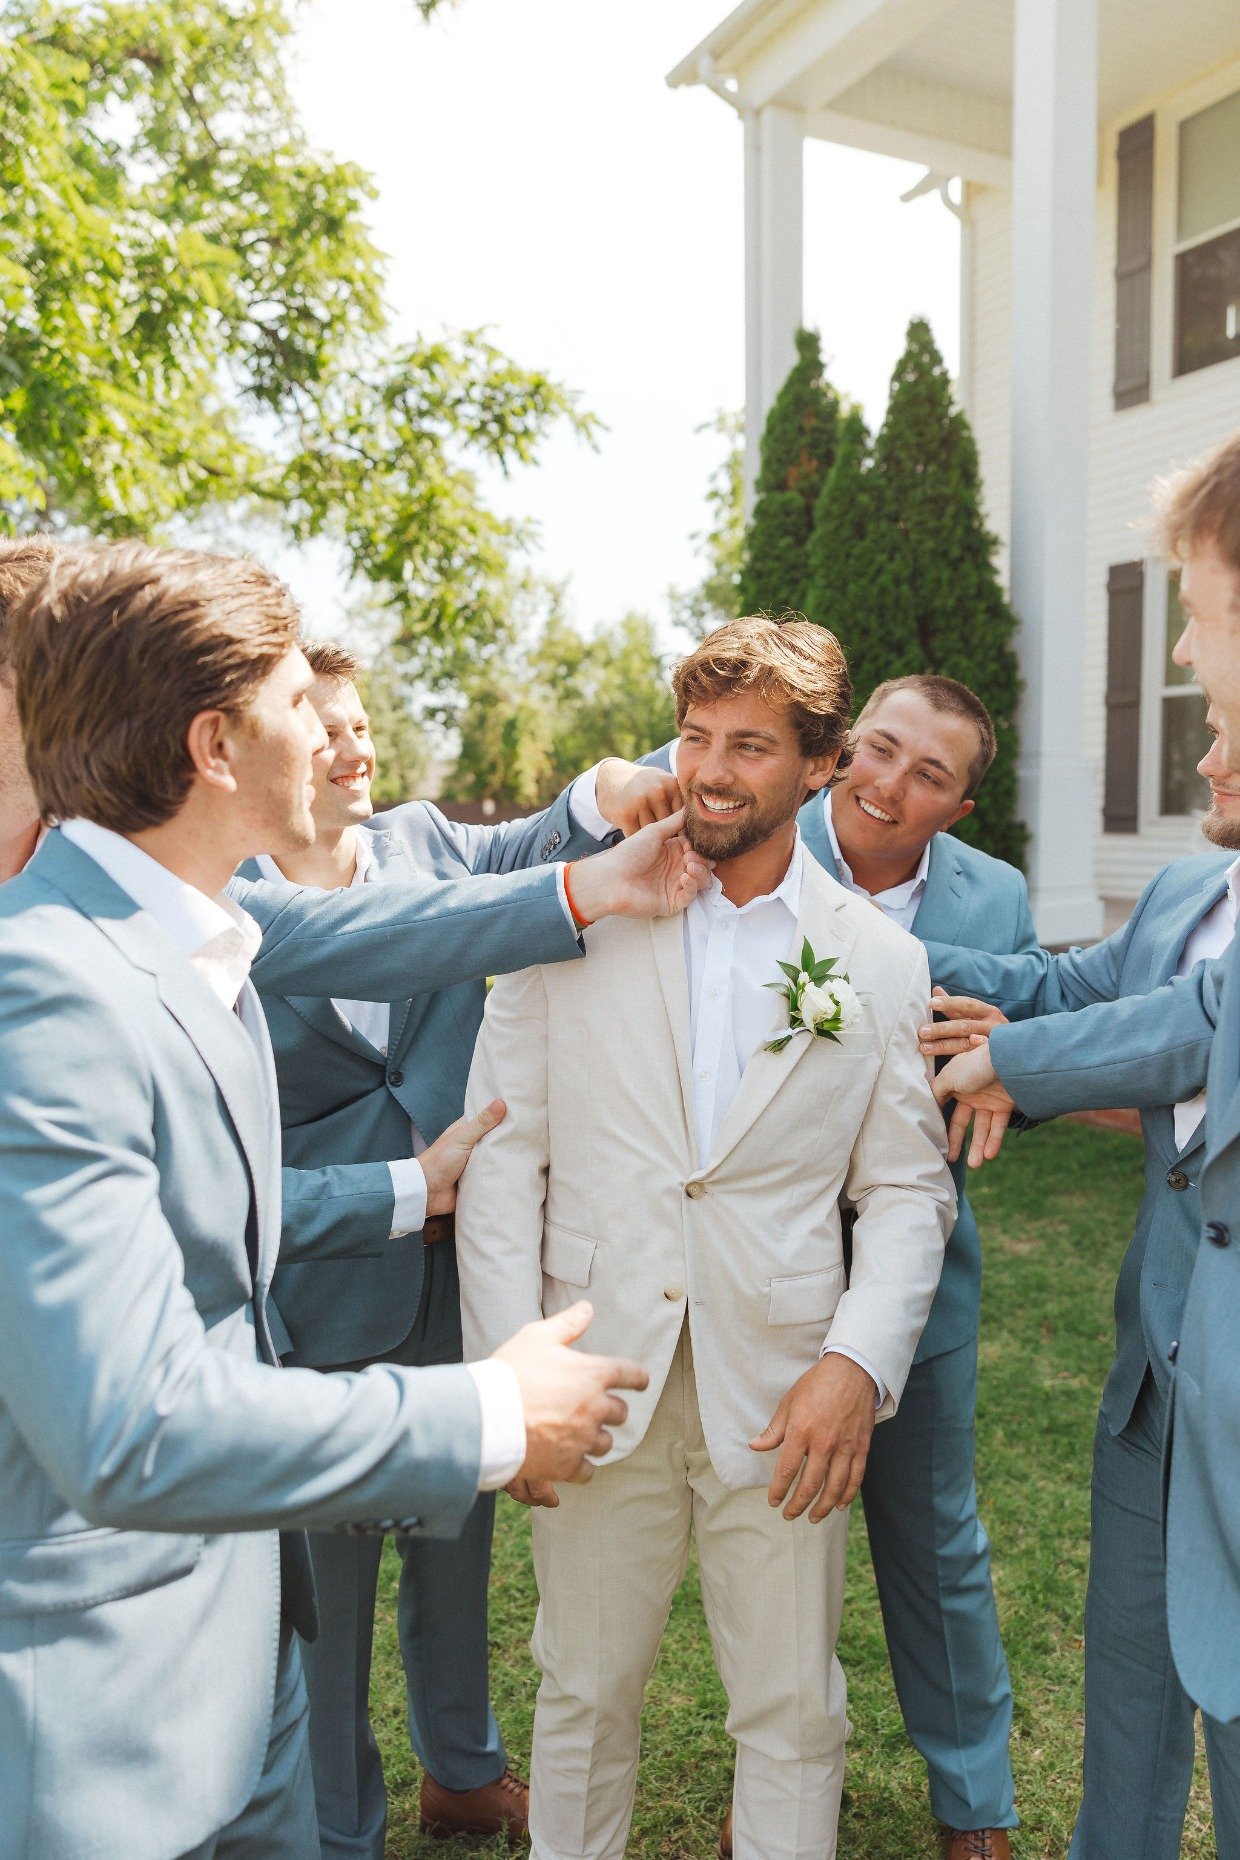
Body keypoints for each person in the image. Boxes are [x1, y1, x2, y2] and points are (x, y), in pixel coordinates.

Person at [0, 539, 711, 1860]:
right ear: (217, 747)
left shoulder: (200, 945)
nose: (335, 739)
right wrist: (489, 1407)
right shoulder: (46, 988)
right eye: (297, 709)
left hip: (237, 1669)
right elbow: (130, 1426)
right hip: (111, 1727)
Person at [457, 614, 956, 1860]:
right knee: (579, 1690)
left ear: (821, 765)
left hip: (785, 1393)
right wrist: (511, 1376)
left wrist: (856, 1365)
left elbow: (904, 1190)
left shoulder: (880, 965)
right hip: (592, 1368)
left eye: (749, 744)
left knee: (793, 1710)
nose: (712, 770)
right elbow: (503, 1154)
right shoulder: (571, 914)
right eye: (694, 736)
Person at [242, 640, 661, 1853]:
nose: (357, 745)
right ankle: (333, 1820)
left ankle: (463, 1770)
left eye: (365, 724)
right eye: (327, 728)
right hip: (318, 1276)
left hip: (461, 1272)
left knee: (455, 1543)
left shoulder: (430, 839)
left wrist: (603, 784)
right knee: (325, 1589)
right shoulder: (229, 900)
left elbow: (539, 847)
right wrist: (385, 1185)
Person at [634, 674, 1028, 1858]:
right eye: (878, 750)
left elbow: (993, 1076)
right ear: (837, 750)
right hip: (739, 1281)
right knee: (750, 1551)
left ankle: (974, 1803)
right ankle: (772, 1788)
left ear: (958, 808)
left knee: (931, 1537)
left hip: (910, 1275)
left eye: (929, 775)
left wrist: (1008, 1063)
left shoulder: (995, 902)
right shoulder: (742, 833)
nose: (888, 785)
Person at [936, 432, 1240, 1857]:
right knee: (1126, 1706)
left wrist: (1012, 1064)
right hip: (1152, 1392)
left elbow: (1199, 1028)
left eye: (1195, 610)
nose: (1183, 654)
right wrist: (842, 944)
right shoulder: (1187, 887)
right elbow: (1071, 985)